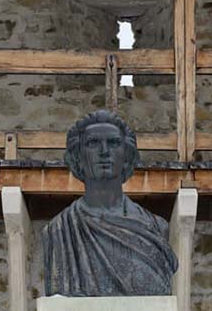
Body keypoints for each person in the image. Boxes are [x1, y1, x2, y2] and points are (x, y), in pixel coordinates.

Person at [37, 109, 178, 297]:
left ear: (127, 157)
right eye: (93, 143)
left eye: (113, 143)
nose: (104, 152)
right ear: (78, 157)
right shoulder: (60, 230)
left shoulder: (156, 228)